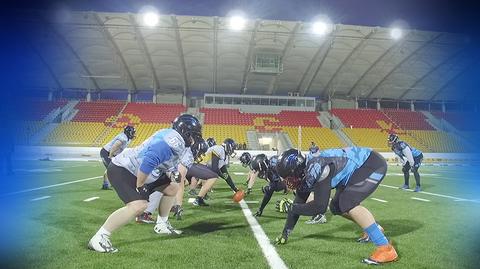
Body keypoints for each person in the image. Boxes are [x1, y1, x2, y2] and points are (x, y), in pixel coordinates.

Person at [88, 114, 202, 253]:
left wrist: (173, 173)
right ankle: (100, 237)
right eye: (193, 135)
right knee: (139, 205)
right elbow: (149, 161)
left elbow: (168, 163)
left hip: (141, 171)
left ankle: (162, 225)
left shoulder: (173, 138)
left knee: (173, 187)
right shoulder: (173, 141)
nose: (194, 139)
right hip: (125, 170)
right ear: (185, 132)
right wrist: (140, 186)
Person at [274, 147, 398, 265]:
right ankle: (375, 228)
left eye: (289, 178)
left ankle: (385, 248)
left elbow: (320, 207)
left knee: (347, 203)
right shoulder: (307, 170)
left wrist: (291, 208)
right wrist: (285, 233)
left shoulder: (318, 167)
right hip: (355, 171)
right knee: (336, 207)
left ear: (298, 170)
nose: (288, 182)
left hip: (370, 164)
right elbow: (299, 202)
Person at [193, 138, 242, 206]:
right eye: (232, 148)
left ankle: (200, 198)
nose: (232, 150)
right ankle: (198, 199)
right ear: (228, 146)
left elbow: (226, 175)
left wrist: (235, 188)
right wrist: (222, 175)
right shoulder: (219, 149)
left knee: (212, 177)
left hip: (203, 167)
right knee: (213, 176)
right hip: (198, 165)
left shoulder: (225, 155)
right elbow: (215, 168)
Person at [99, 125, 136, 189]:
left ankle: (106, 184)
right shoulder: (123, 138)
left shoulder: (127, 138)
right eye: (132, 132)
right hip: (106, 152)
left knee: (114, 168)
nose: (133, 134)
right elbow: (114, 147)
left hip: (113, 154)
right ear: (128, 132)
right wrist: (110, 156)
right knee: (111, 169)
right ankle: (108, 184)